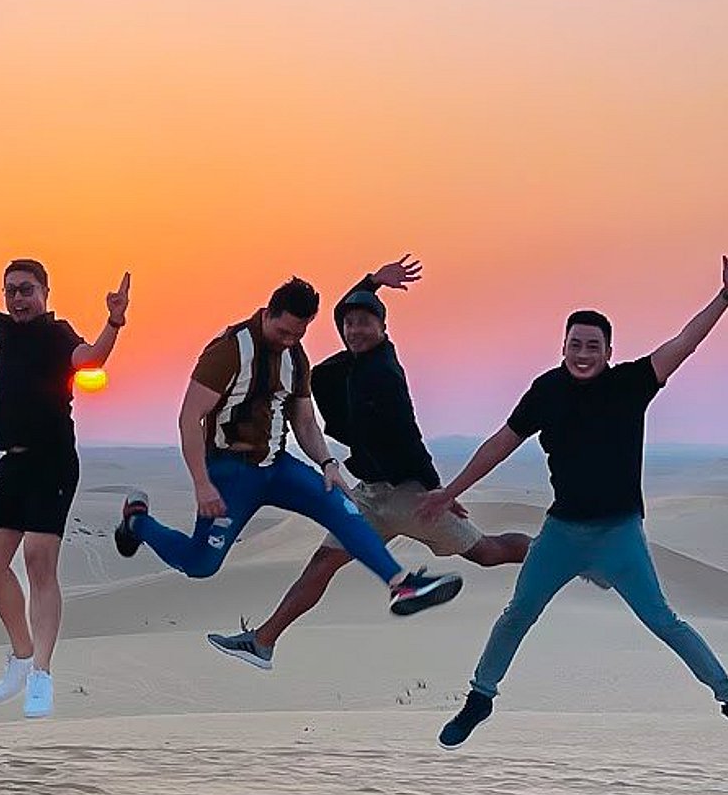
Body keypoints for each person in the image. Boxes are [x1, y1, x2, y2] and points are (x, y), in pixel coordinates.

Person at [435, 260, 728, 747]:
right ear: (563, 347)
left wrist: (724, 298)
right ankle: (480, 698)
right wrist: (450, 492)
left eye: (594, 346)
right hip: (563, 534)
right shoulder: (547, 390)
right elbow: (501, 443)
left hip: (619, 533)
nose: (583, 354)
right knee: (517, 613)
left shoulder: (630, 383)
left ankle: (727, 694)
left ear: (609, 352)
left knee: (663, 620)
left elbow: (684, 343)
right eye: (575, 344)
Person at [207, 258, 530, 668]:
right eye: (349, 324)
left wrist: (440, 491)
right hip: (370, 494)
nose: (354, 330)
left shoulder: (383, 374)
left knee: (486, 551)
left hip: (409, 496)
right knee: (323, 562)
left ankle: (557, 555)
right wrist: (372, 281)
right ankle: (263, 642)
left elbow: (408, 436)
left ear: (383, 328)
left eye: (365, 323)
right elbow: (342, 310)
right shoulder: (356, 359)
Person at [113, 275, 463, 619]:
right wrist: (203, 485)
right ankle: (138, 522)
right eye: (284, 332)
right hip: (229, 471)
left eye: (298, 334)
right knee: (201, 563)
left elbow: (304, 421)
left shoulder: (294, 356)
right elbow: (190, 417)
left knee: (342, 506)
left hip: (277, 467)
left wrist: (327, 463)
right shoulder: (229, 351)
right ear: (267, 314)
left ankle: (401, 585)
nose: (290, 340)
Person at [0, 208, 129, 719]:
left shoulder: (56, 334)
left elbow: (90, 360)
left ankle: (42, 674)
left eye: (26, 289)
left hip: (52, 462)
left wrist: (114, 321)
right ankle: (21, 654)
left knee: (38, 561)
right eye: (11, 291)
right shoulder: (5, 331)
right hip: (12, 464)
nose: (17, 298)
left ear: (45, 292)